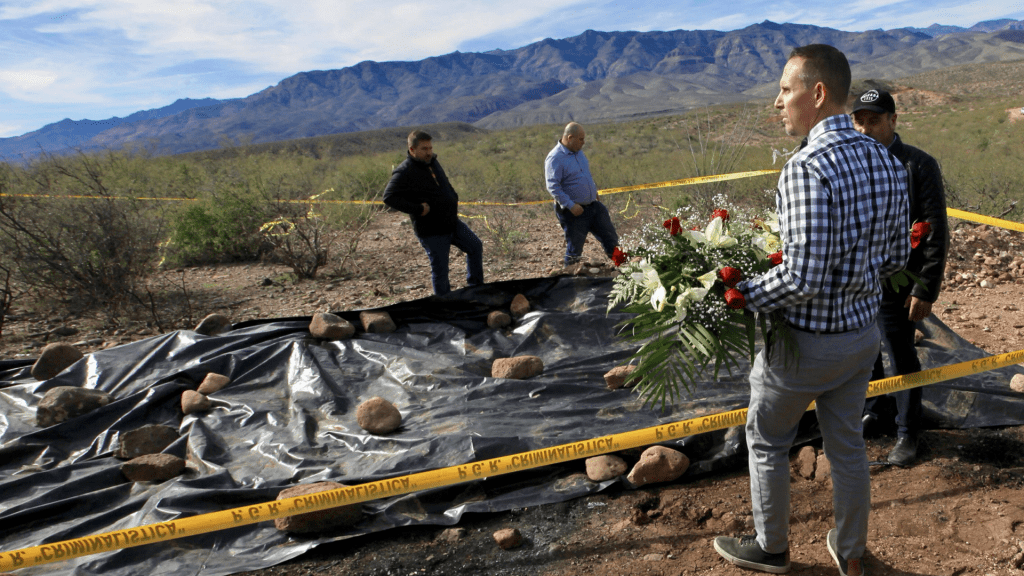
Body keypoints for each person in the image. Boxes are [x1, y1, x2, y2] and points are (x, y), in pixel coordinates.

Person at [712, 45, 911, 576]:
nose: (778, 102)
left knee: (769, 440)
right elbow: (896, 257)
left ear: (816, 93)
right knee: (846, 444)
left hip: (805, 345)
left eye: (785, 89)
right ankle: (850, 551)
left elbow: (801, 278)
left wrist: (739, 294)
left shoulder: (806, 167)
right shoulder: (888, 161)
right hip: (862, 338)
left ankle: (772, 546)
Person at [852, 89, 950, 467]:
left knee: (900, 352)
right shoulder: (853, 165)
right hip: (860, 280)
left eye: (873, 120)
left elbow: (936, 230)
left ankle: (909, 433)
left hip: (900, 281)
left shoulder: (918, 165)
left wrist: (925, 286)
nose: (864, 128)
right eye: (858, 121)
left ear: (893, 120)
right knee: (864, 351)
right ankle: (876, 412)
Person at [383, 130, 484, 295]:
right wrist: (418, 209)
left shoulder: (432, 162)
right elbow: (389, 197)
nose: (429, 151)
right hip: (431, 230)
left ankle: (476, 289)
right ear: (412, 150)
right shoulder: (404, 171)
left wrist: (452, 196)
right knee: (441, 270)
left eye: (430, 147)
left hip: (451, 223)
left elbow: (444, 185)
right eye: (424, 148)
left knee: (475, 246)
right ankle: (444, 307)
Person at [544, 122, 619, 267]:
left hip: (593, 206)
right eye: (581, 139)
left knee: (610, 237)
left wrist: (593, 192)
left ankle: (624, 269)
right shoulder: (555, 158)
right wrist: (571, 205)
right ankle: (570, 279)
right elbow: (553, 186)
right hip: (574, 211)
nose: (583, 143)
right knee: (575, 249)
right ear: (570, 137)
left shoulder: (578, 152)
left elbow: (584, 175)